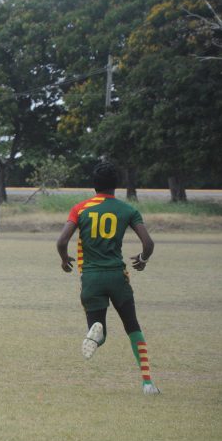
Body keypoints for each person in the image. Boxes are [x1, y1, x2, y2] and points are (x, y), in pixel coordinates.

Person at [56, 161, 159, 395]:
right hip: (116, 276)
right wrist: (142, 259)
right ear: (117, 185)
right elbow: (149, 243)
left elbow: (62, 241)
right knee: (133, 326)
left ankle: (96, 331)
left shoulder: (80, 208)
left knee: (98, 332)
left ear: (94, 185)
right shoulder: (127, 210)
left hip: (91, 277)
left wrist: (64, 260)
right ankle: (147, 383)